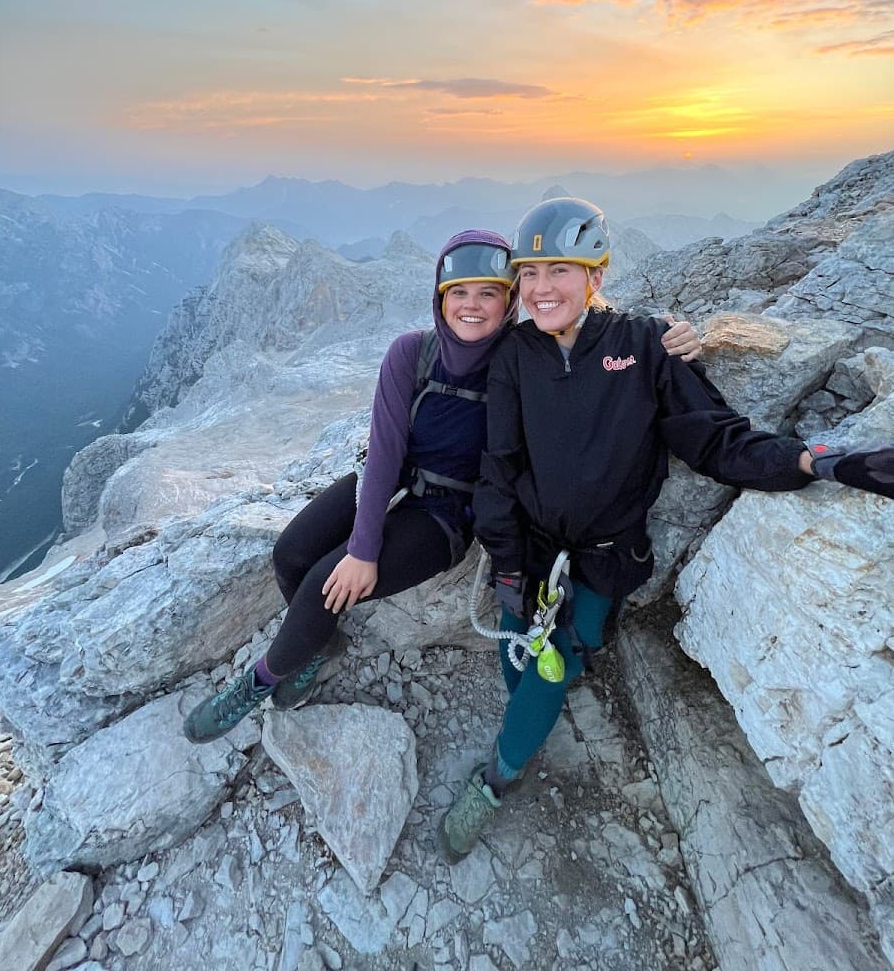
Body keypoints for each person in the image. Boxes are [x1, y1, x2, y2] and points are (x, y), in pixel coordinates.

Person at [438, 196, 894, 862]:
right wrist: (508, 566)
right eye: (530, 274)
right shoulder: (515, 355)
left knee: (551, 665)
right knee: (525, 661)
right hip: (533, 549)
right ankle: (543, 703)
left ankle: (498, 778)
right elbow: (500, 464)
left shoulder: (646, 345)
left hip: (605, 557)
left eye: (558, 271)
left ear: (596, 273)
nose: (540, 289)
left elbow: (715, 441)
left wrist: (814, 461)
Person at [184, 227, 701, 743]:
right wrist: (363, 548)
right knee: (291, 555)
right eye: (458, 293)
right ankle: (314, 647)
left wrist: (672, 334)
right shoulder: (412, 353)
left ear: (510, 301)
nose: (471, 306)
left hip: (447, 517)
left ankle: (260, 680)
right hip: (388, 481)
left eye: (488, 293)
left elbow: (587, 334)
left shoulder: (522, 359)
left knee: (325, 585)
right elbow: (385, 450)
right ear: (440, 297)